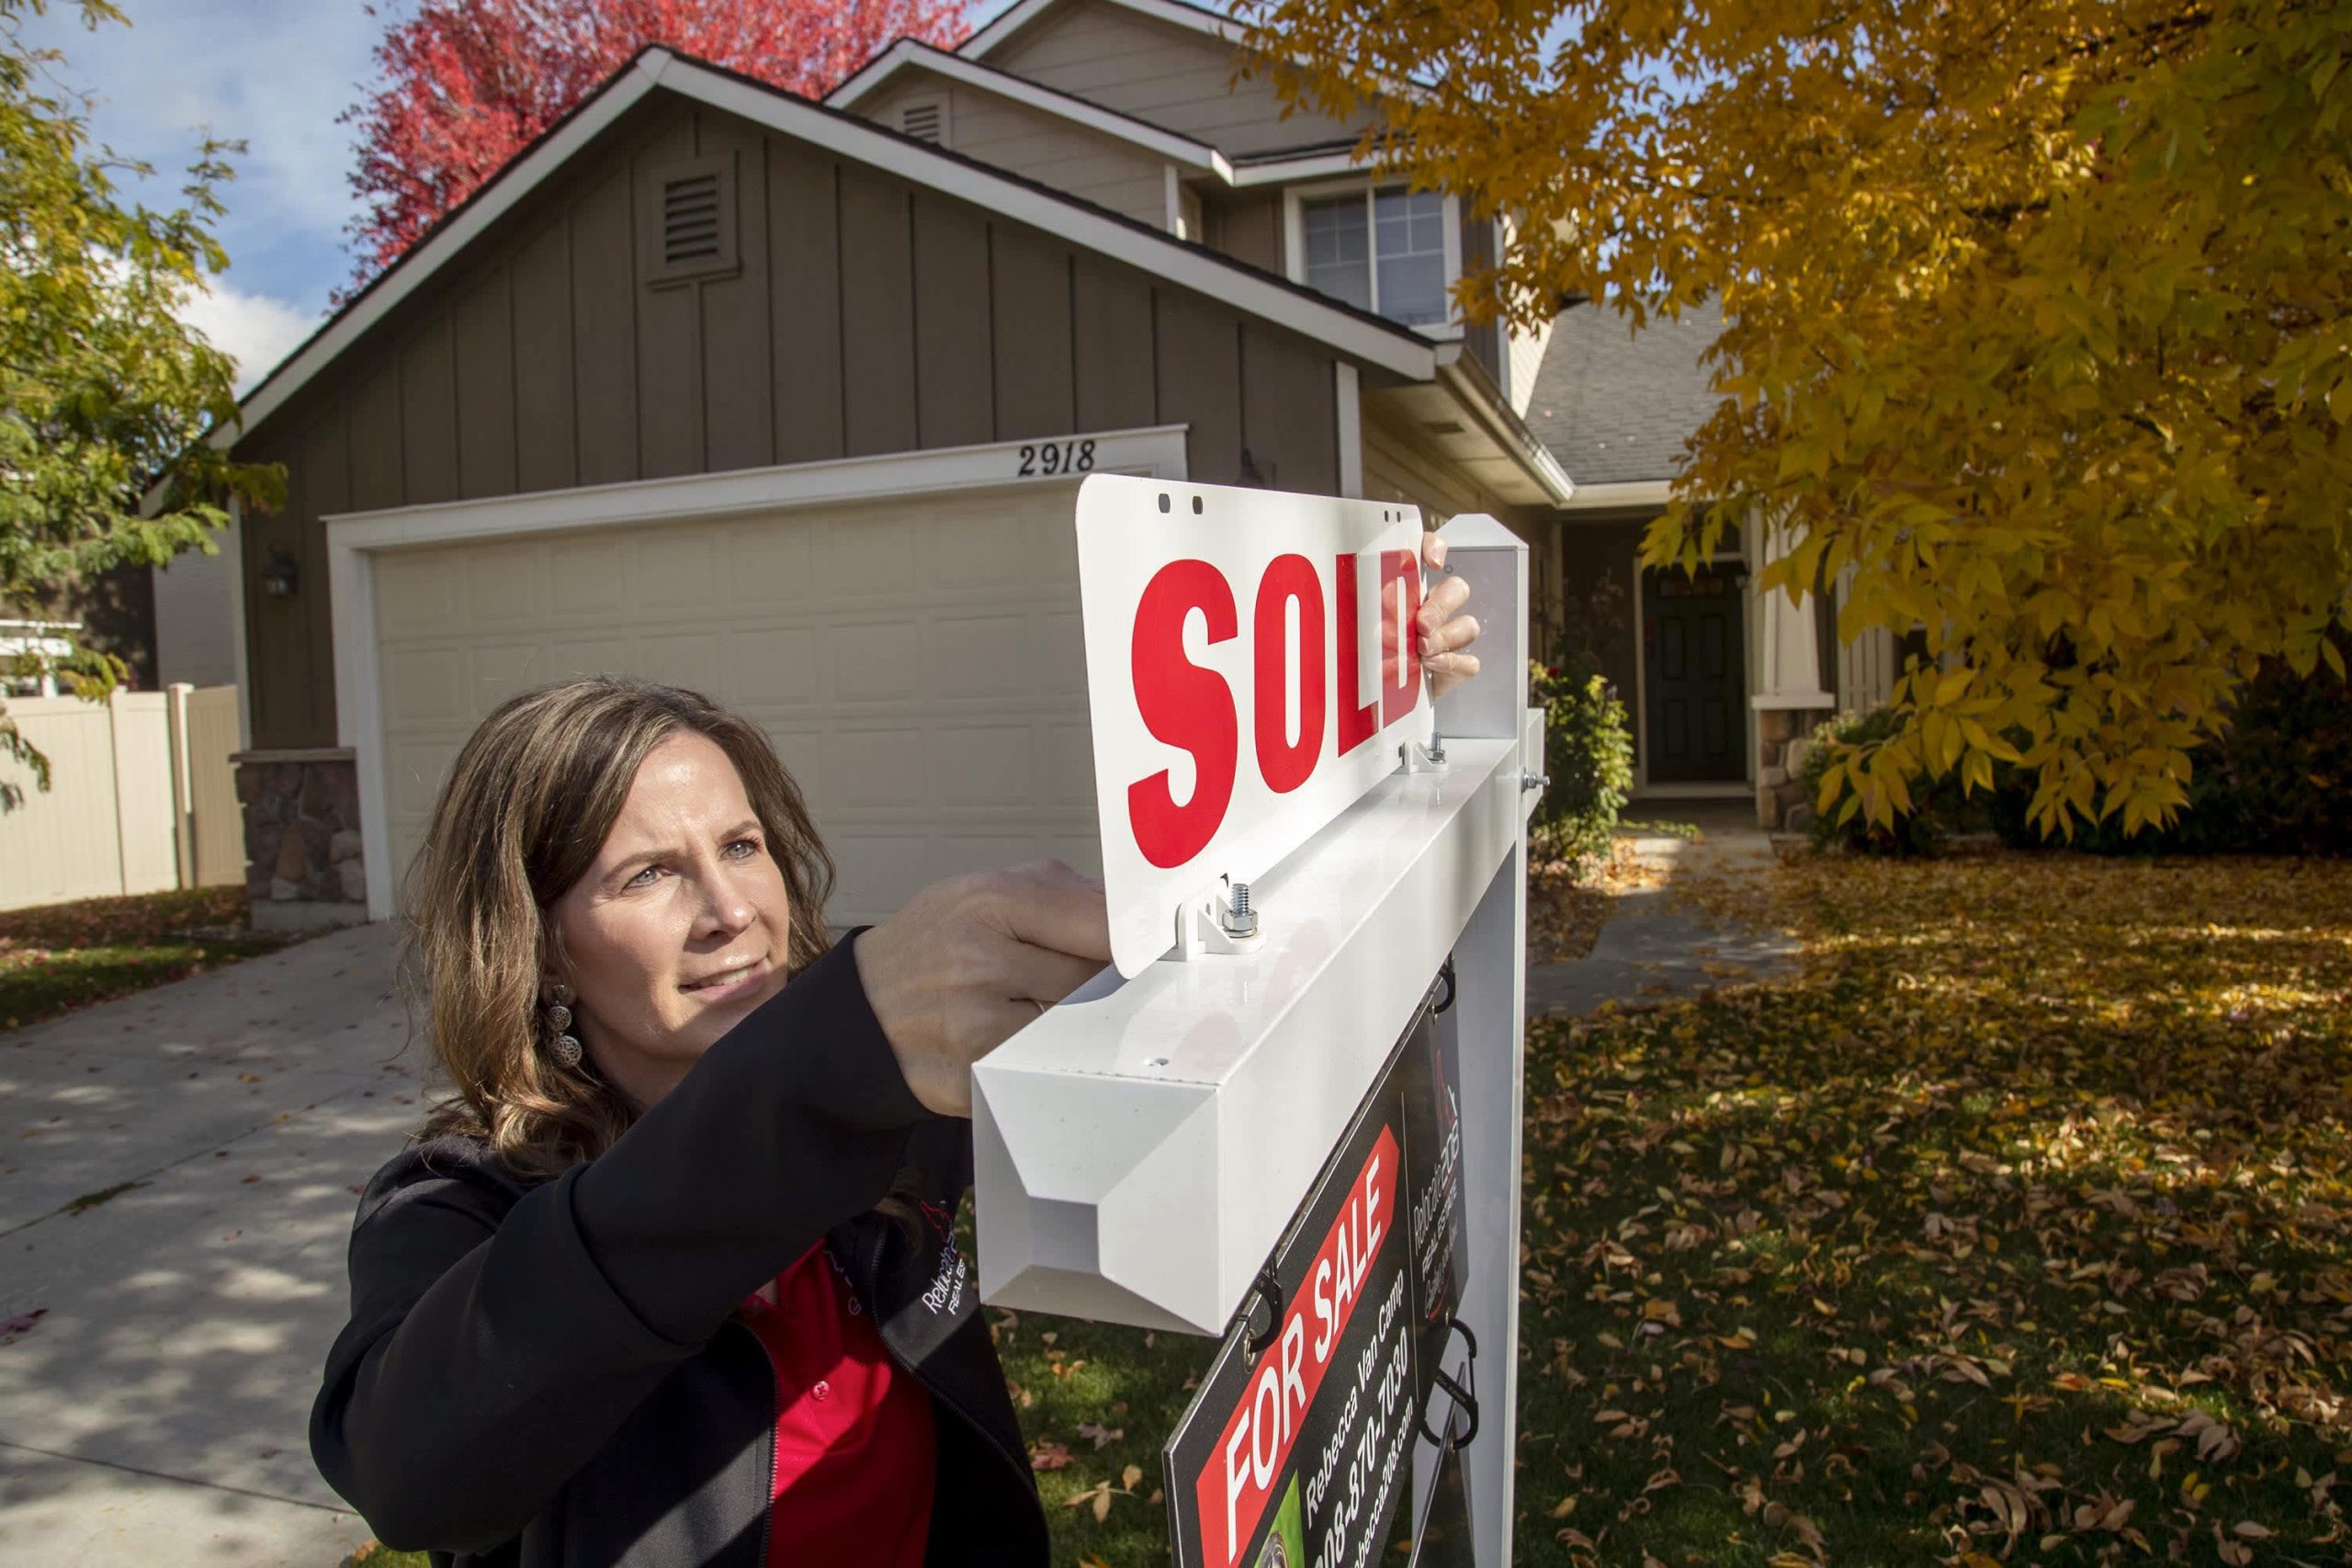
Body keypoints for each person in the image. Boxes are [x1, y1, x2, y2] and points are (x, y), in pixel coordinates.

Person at [310, 536, 1482, 1568]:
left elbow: (1199, 965)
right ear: (544, 951)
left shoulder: (886, 1113)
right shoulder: (456, 1208)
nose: (731, 911)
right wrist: (828, 1060)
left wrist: (1352, 698)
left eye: (742, 845)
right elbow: (414, 1478)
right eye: (649, 874)